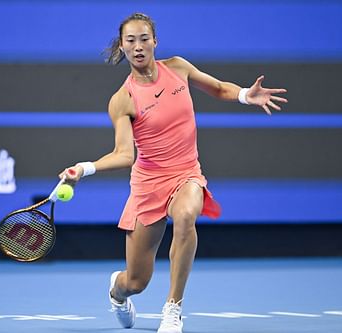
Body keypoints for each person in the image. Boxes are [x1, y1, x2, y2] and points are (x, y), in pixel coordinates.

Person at [60, 12, 287, 333]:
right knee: (136, 281)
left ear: (154, 41)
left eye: (143, 39)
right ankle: (117, 291)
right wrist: (84, 168)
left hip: (186, 173)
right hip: (148, 185)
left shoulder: (178, 67)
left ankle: (173, 308)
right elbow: (125, 155)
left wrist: (243, 95)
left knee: (186, 216)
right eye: (130, 41)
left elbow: (220, 88)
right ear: (121, 47)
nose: (138, 46)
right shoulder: (122, 100)